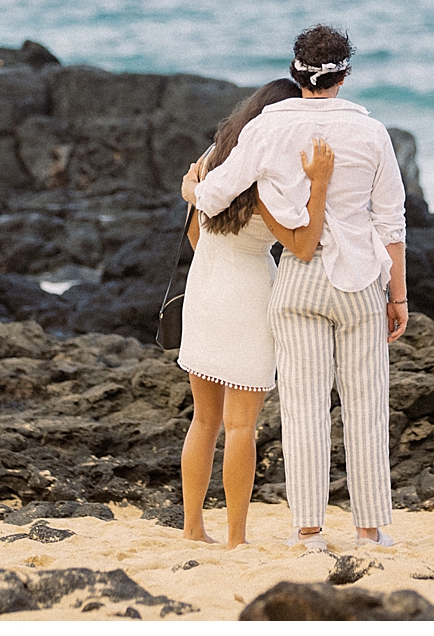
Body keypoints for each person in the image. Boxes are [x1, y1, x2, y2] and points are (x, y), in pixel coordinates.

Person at [184, 24, 408, 552]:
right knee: (366, 408)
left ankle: (308, 531)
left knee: (304, 411)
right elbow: (391, 222)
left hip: (297, 282)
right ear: (345, 73)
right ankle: (369, 529)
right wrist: (397, 296)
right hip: (359, 280)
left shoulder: (265, 127)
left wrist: (192, 186)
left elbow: (212, 198)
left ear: (295, 71)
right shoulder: (372, 132)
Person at [177, 77, 337, 549]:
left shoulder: (214, 158)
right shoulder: (273, 177)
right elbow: (303, 247)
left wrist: (191, 193)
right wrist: (320, 186)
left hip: (205, 285)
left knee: (203, 421)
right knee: (242, 426)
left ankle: (192, 528)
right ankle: (236, 539)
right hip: (249, 292)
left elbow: (194, 230)